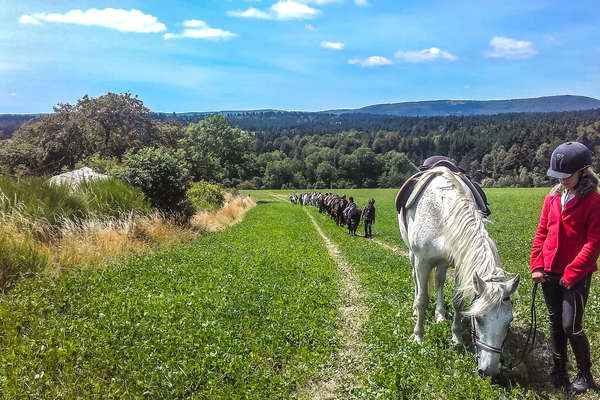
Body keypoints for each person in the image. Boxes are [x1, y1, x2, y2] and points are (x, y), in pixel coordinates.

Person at [530, 141, 600, 393]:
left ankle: (585, 374)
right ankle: (559, 369)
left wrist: (572, 274)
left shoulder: (593, 200)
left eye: (567, 176)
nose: (562, 181)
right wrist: (537, 264)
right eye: (557, 176)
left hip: (576, 275)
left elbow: (593, 243)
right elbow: (542, 232)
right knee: (555, 321)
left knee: (571, 325)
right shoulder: (552, 197)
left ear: (582, 171)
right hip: (549, 272)